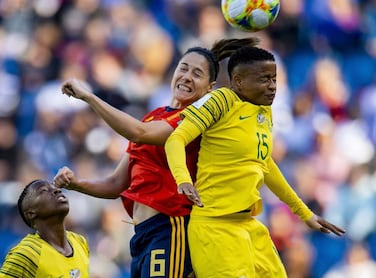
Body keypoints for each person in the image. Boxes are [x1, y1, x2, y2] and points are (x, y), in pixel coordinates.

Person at [53, 38, 259, 278]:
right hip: (142, 235)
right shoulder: (153, 117)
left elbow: (138, 134)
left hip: (170, 228)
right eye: (183, 68)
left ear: (209, 87)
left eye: (197, 73)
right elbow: (116, 184)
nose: (187, 77)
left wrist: (89, 97)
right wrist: (76, 184)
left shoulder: (194, 120)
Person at [164, 45, 346, 277]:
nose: (272, 87)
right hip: (215, 228)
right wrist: (183, 179)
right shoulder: (221, 100)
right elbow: (176, 139)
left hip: (249, 225)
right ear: (238, 81)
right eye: (264, 80)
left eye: (274, 79)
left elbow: (265, 166)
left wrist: (305, 214)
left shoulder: (264, 113)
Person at [0, 179, 89, 277]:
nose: (57, 190)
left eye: (55, 188)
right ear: (31, 213)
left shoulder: (80, 241)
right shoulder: (27, 253)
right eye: (44, 190)